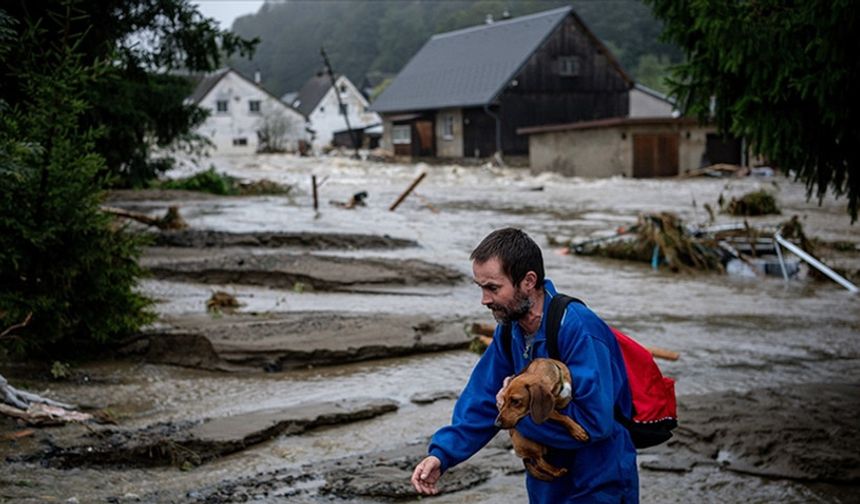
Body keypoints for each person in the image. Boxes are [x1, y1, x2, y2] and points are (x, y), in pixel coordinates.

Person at [410, 227, 638, 503]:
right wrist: (442, 455)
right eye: (481, 287)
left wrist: (516, 415)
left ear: (528, 281)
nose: (484, 299)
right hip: (546, 483)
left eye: (493, 288)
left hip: (599, 481)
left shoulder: (579, 328)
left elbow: (594, 424)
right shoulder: (510, 330)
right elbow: (483, 397)